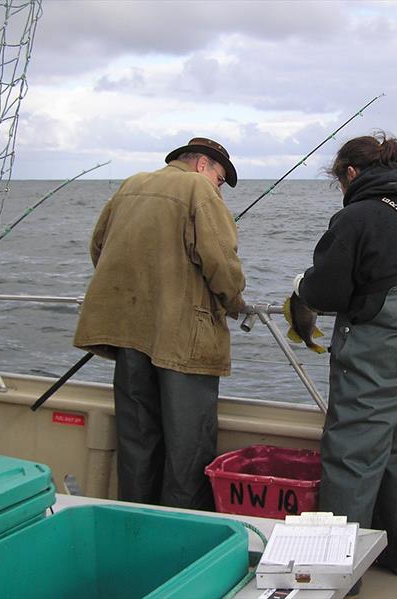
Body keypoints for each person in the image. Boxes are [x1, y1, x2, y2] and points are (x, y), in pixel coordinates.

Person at [293, 132, 397, 585]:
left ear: (352, 173)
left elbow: (327, 291)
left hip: (378, 355)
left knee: (352, 456)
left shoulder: (357, 216)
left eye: (339, 180)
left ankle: (339, 577)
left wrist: (303, 288)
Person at [73, 137, 246, 510]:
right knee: (188, 447)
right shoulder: (198, 188)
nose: (219, 188)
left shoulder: (132, 184)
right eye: (220, 178)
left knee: (136, 440)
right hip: (183, 339)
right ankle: (181, 535)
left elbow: (98, 248)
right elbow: (221, 263)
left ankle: (136, 527)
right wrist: (235, 303)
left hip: (129, 334)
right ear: (203, 165)